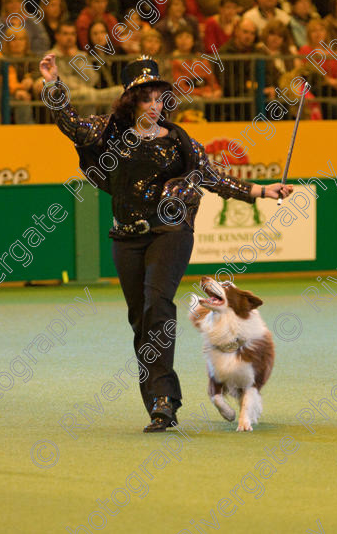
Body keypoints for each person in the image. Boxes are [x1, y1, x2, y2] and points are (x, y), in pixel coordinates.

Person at [38, 53, 293, 432]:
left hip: (171, 232)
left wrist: (262, 190)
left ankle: (163, 403)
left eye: (160, 98)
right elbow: (70, 124)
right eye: (147, 98)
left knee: (158, 304)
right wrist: (52, 84)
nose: (156, 106)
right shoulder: (107, 133)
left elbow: (213, 177)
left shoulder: (178, 141)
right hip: (126, 236)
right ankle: (159, 399)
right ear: (130, 101)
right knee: (141, 319)